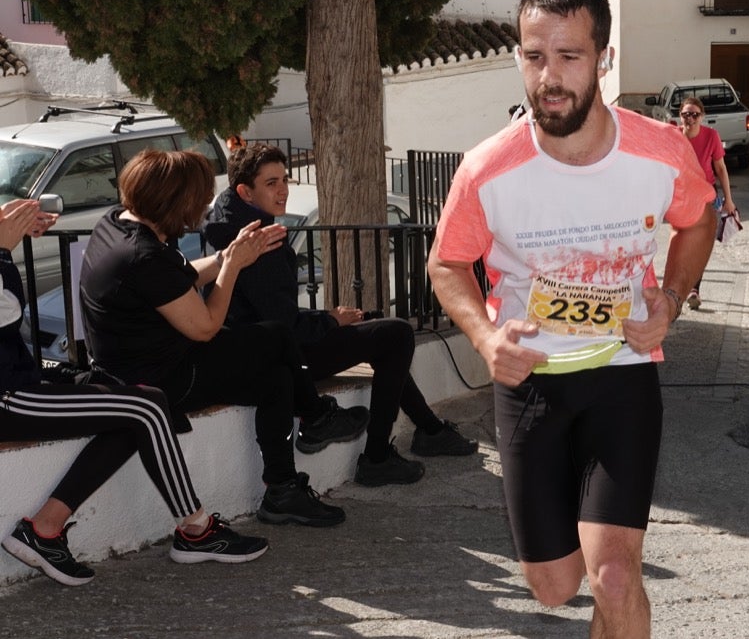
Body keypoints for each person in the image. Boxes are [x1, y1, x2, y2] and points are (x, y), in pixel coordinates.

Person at [427, 0, 715, 637]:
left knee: (615, 574)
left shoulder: (659, 151)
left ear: (604, 59)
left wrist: (670, 299)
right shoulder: (487, 169)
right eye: (534, 57)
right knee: (555, 585)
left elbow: (697, 223)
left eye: (569, 56)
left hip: (624, 372)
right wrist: (485, 339)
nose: (549, 77)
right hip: (532, 383)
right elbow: (447, 263)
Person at [79, 150, 366, 528]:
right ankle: (314, 418)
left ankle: (282, 489)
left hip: (148, 359)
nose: (204, 207)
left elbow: (177, 280)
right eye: (197, 199)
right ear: (175, 200)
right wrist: (231, 267)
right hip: (158, 379)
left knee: (276, 373)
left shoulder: (118, 223)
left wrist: (225, 256)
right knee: (277, 337)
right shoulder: (141, 254)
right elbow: (206, 326)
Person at [1, 198, 267, 586]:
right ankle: (196, 528)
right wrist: (3, 250)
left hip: (23, 381)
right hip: (9, 396)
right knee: (146, 405)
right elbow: (7, 312)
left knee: (133, 404)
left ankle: (43, 529)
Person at [201, 143, 477, 488]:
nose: (283, 189)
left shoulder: (232, 224)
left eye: (284, 179)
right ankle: (377, 456)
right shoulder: (259, 242)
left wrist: (332, 317)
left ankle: (429, 429)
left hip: (264, 347)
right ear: (245, 191)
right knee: (396, 334)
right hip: (281, 357)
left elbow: (272, 312)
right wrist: (330, 319)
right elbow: (284, 326)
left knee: (376, 323)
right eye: (271, 183)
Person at [678, 96, 738, 310]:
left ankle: (694, 288)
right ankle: (681, 288)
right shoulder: (675, 136)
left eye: (694, 114)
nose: (690, 119)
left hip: (706, 194)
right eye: (686, 114)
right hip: (683, 196)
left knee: (701, 243)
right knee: (684, 243)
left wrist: (728, 200)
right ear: (680, 116)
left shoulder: (711, 136)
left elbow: (720, 168)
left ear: (702, 117)